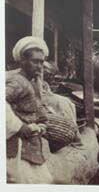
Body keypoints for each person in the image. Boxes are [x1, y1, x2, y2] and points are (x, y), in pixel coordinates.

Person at [6, 36, 53, 184]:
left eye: (41, 62)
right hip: (19, 145)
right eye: (35, 61)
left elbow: (36, 107)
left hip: (31, 144)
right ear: (23, 61)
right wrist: (19, 127)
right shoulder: (18, 82)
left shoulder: (32, 82)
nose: (39, 66)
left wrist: (43, 123)